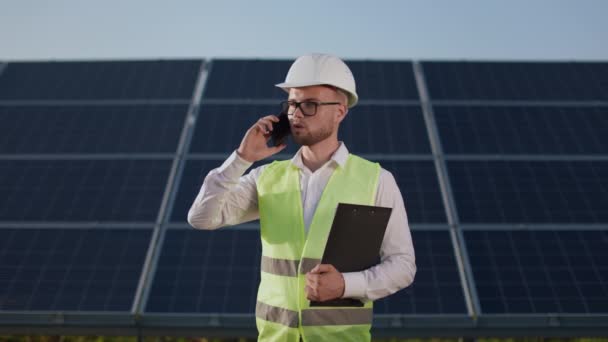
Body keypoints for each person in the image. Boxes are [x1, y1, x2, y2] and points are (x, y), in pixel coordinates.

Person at [188, 53, 416, 342]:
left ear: (340, 112)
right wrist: (242, 158)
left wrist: (346, 285)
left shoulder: (377, 180)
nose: (296, 114)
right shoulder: (266, 178)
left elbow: (403, 265)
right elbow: (201, 218)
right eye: (292, 104)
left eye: (310, 104)